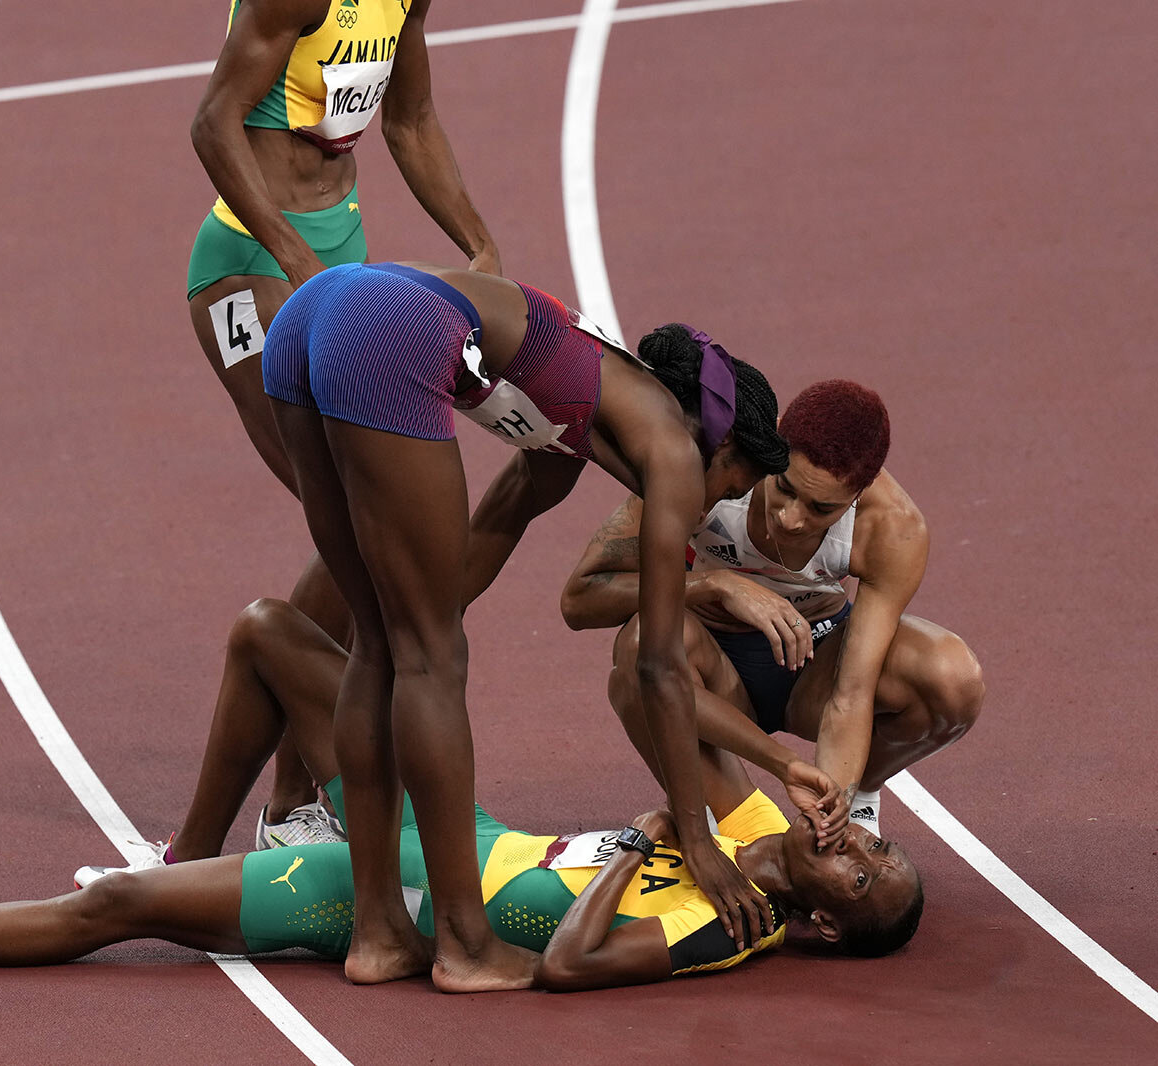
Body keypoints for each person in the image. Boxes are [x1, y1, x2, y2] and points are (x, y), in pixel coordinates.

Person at [0, 601, 920, 986]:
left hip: (389, 889)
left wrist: (653, 841)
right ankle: (199, 838)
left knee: (118, 912)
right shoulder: (760, 831)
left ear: (818, 919)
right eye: (873, 843)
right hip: (468, 832)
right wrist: (752, 778)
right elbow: (659, 675)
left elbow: (565, 966)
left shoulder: (727, 925)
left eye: (859, 874)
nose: (854, 843)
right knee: (272, 635)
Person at [260, 259, 792, 991]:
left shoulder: (576, 405)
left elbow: (474, 556)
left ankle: (380, 932)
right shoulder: (671, 445)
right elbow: (660, 665)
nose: (711, 510)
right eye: (731, 489)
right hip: (384, 326)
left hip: (313, 317)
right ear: (721, 445)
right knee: (425, 657)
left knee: (384, 642)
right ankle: (464, 943)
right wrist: (699, 841)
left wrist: (426, 635)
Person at [185, 0, 500, 846]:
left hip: (341, 250)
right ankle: (251, 819)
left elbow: (412, 115)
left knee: (372, 532)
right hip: (250, 268)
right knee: (360, 528)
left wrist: (480, 248)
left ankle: (292, 800)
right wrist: (295, 261)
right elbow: (213, 125)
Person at [562, 380, 985, 834]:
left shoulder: (892, 529)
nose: (791, 517)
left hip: (813, 667)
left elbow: (850, 695)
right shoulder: (710, 464)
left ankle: (857, 800)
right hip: (708, 667)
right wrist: (715, 585)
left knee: (950, 679)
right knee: (644, 642)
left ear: (859, 494)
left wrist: (828, 821)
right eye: (784, 487)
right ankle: (736, 823)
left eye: (822, 509)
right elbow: (581, 598)